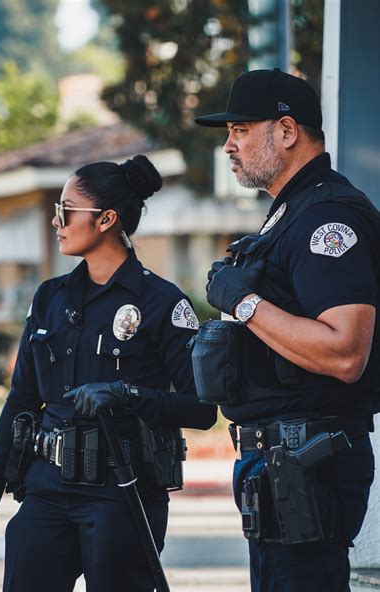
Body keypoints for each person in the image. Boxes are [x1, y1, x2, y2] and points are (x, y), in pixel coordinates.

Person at [0, 154, 216, 592]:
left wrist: (125, 394)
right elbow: (22, 400)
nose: (56, 221)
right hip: (47, 491)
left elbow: (202, 409)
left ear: (106, 219)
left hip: (122, 492)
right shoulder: (49, 299)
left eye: (65, 211)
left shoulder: (162, 304)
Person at [195, 68, 380, 591]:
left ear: (286, 130)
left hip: (308, 460)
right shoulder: (289, 213)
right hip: (279, 459)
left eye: (240, 130)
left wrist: (243, 300)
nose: (229, 146)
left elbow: (345, 353)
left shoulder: (327, 219)